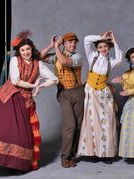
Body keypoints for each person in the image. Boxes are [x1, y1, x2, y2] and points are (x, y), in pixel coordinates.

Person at [0, 30, 59, 171]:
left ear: (31, 49)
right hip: (9, 97)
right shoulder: (15, 60)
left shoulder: (38, 64)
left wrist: (40, 85)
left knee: (23, 133)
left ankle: (17, 162)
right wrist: (33, 85)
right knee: (4, 129)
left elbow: (54, 79)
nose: (26, 52)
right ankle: (2, 159)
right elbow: (15, 80)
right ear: (19, 51)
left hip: (25, 100)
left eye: (28, 49)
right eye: (23, 50)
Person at [77, 31, 122, 164]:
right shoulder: (92, 56)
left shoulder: (111, 62)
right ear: (97, 48)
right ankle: (92, 152)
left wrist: (114, 41)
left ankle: (105, 153)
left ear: (109, 48)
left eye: (105, 47)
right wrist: (102, 38)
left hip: (103, 94)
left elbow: (119, 58)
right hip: (90, 92)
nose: (103, 49)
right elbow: (86, 39)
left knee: (106, 122)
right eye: (100, 47)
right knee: (91, 121)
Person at [40, 32, 84, 168]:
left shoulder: (78, 57)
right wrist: (52, 45)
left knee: (78, 126)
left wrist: (57, 47)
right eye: (70, 42)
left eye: (74, 43)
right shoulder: (57, 56)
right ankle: (65, 157)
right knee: (70, 125)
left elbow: (65, 61)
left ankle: (72, 155)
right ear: (64, 44)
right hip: (63, 93)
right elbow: (40, 57)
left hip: (78, 93)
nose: (73, 45)